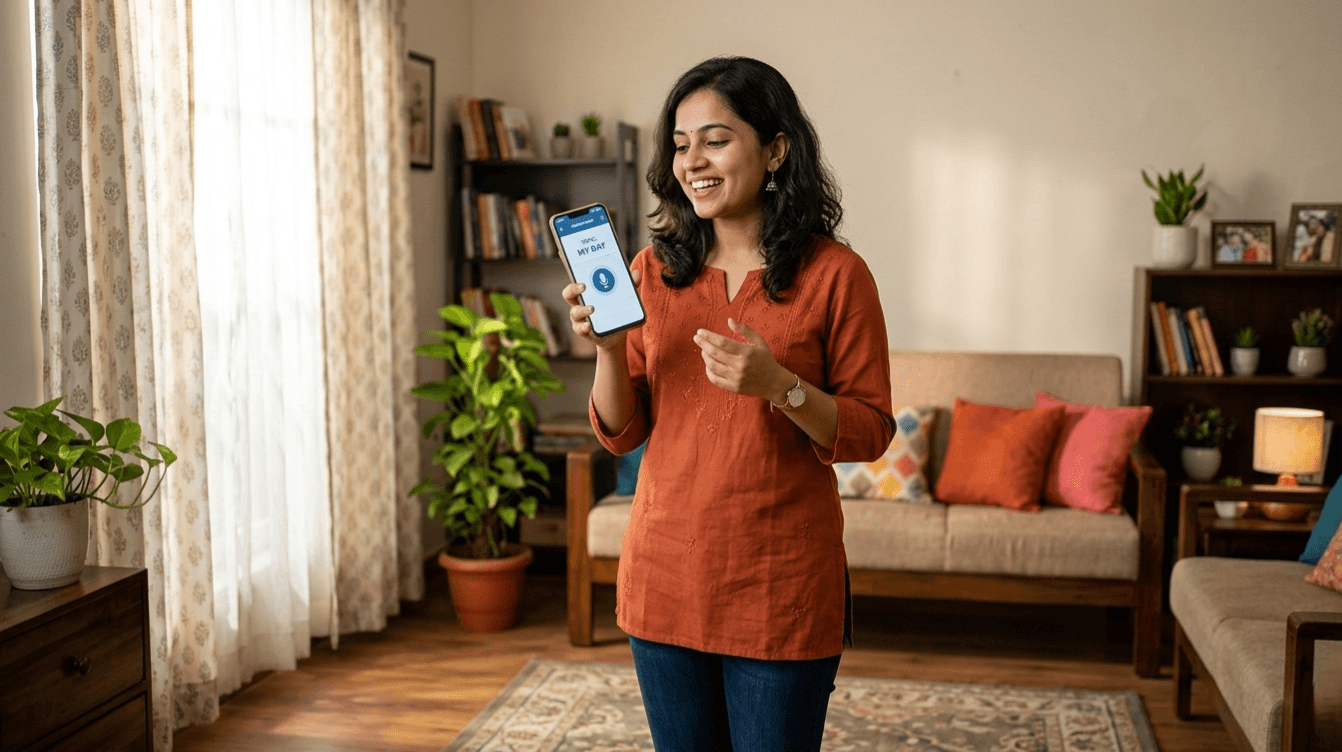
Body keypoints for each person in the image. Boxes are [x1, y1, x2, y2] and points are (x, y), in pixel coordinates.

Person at [562, 57, 894, 751]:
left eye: (715, 139)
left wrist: (782, 387)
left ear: (775, 149)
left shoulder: (838, 276)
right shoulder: (652, 272)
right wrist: (608, 348)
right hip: (664, 576)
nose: (692, 162)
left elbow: (869, 431)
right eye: (681, 145)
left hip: (780, 584)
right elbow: (623, 434)